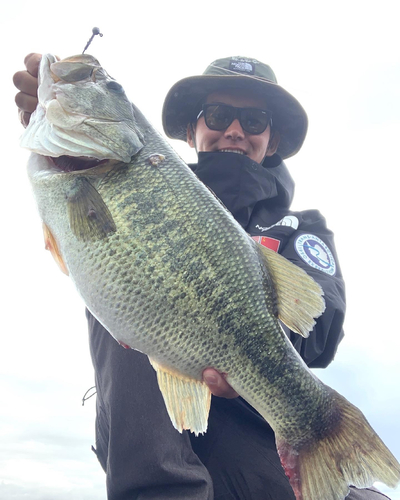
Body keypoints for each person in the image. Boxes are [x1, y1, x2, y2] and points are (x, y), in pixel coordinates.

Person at [13, 54, 390, 500]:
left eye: (254, 120)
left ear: (271, 141)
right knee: (134, 297)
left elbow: (318, 334)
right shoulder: (139, 179)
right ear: (192, 130)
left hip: (267, 462)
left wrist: (245, 340)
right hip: (157, 464)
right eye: (218, 115)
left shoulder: (301, 228)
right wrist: (59, 122)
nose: (234, 129)